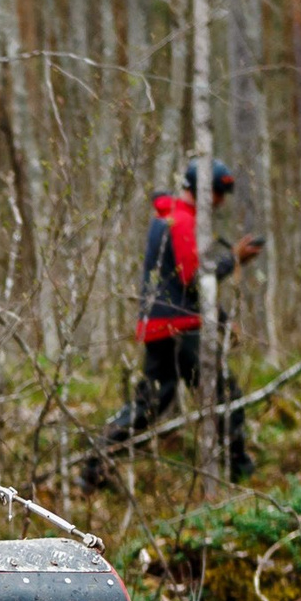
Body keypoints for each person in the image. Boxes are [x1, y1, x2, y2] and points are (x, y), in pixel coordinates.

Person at [84, 159, 263, 487]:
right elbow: (193, 280)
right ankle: (241, 469)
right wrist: (234, 258)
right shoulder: (180, 221)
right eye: (218, 193)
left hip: (163, 324)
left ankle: (96, 458)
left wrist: (222, 319)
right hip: (180, 328)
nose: (221, 201)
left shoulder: (168, 218)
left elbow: (185, 287)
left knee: (150, 404)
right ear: (203, 191)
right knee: (226, 395)